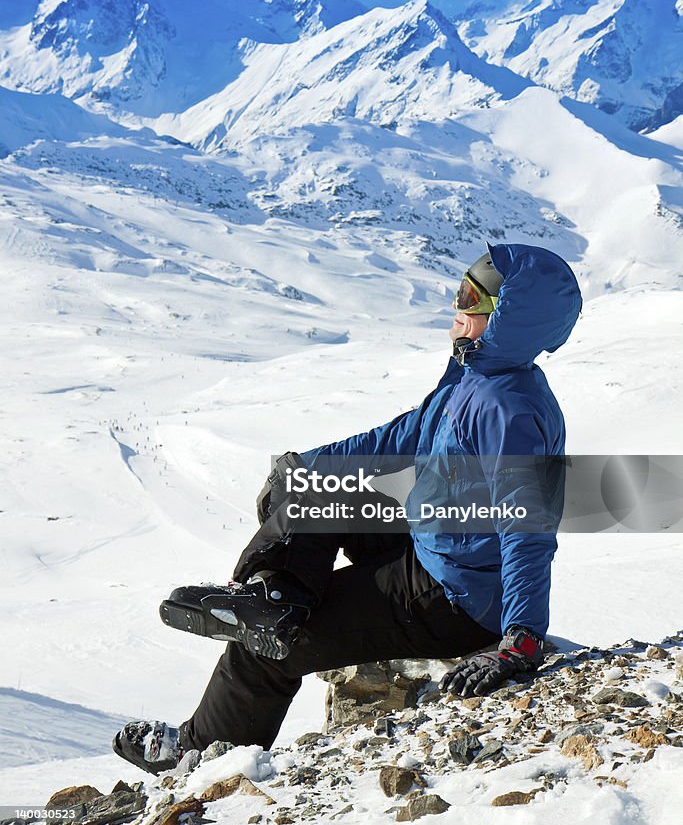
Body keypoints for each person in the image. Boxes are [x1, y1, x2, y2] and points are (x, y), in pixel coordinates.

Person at [113, 242, 582, 774]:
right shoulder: (472, 379)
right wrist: (302, 466)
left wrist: (519, 638)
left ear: (512, 318)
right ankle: (269, 594)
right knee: (317, 491)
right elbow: (398, 436)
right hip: (435, 543)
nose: (457, 307)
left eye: (473, 298)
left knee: (268, 648)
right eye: (460, 290)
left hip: (457, 597)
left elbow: (529, 528)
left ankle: (196, 751)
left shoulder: (508, 409)